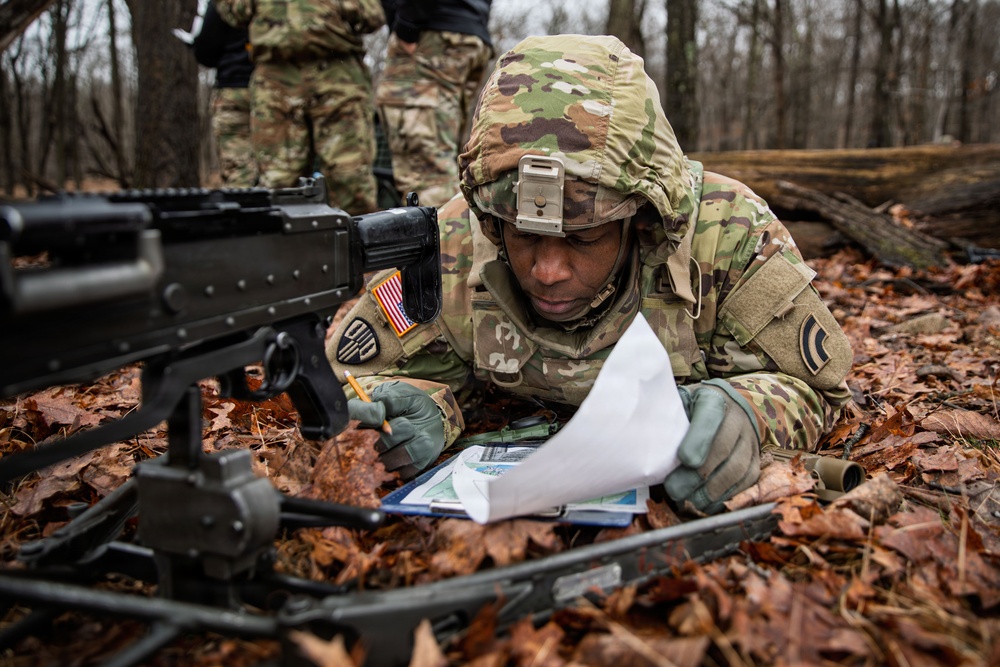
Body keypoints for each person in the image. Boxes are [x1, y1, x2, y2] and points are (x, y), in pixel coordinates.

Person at [325, 35, 853, 514]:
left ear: (640, 221)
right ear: (491, 220)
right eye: (524, 235)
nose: (548, 272)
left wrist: (751, 414)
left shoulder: (725, 235)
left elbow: (821, 391)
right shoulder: (454, 246)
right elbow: (351, 376)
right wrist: (424, 407)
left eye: (582, 238)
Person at [213, 0, 385, 215]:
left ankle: (356, 244)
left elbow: (373, 15)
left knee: (350, 180)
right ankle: (283, 246)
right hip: (276, 78)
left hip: (338, 74)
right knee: (278, 185)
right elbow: (234, 12)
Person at [376, 0, 493, 209]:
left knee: (427, 176)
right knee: (448, 166)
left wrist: (407, 23)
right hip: (467, 30)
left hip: (430, 31)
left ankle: (445, 240)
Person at [191, 2, 258, 187]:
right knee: (280, 168)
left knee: (239, 171)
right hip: (275, 88)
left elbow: (205, 52)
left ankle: (247, 210)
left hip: (233, 89)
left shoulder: (224, 3)